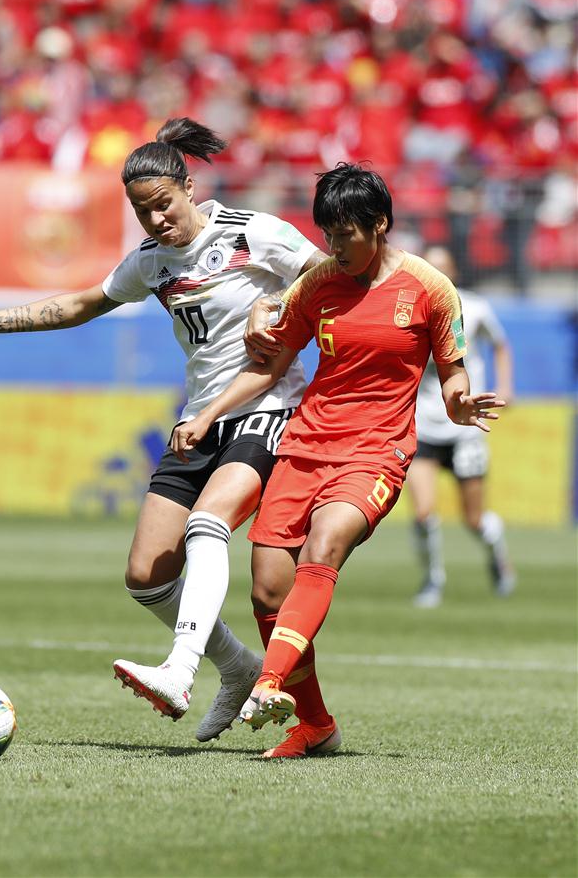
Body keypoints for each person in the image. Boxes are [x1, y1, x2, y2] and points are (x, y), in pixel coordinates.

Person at [0, 117, 327, 742]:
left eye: (163, 204)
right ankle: (237, 666)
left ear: (189, 186)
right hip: (200, 418)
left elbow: (327, 274)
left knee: (208, 523)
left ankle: (180, 669)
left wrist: (274, 303)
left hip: (268, 406)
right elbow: (82, 304)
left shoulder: (254, 233)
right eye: (143, 212)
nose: (157, 220)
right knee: (147, 576)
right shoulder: (151, 262)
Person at [171, 162, 506, 758]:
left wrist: (458, 405)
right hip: (304, 446)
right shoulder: (318, 283)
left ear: (380, 224)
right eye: (327, 233)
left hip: (377, 451)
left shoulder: (429, 287)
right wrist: (206, 414)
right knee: (268, 591)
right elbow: (270, 364)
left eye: (345, 233)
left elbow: (453, 371)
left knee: (325, 545)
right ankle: (317, 726)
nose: (334, 246)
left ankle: (267, 683)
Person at [408, 245, 515, 608]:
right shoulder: (409, 309)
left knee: (473, 519)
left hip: (466, 426)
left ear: (453, 271)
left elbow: (500, 345)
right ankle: (432, 581)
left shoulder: (476, 307)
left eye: (442, 268)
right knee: (423, 512)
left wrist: (505, 386)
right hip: (425, 421)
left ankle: (497, 556)